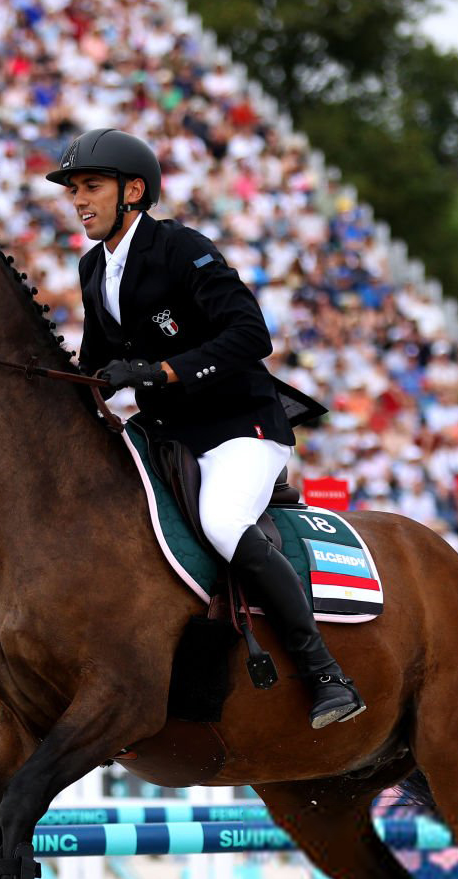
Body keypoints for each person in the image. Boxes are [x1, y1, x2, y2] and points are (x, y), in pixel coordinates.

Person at [47, 128, 362, 729]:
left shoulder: (181, 247)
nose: (79, 200)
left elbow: (250, 336)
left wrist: (159, 372)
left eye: (91, 186)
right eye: (74, 190)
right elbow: (97, 365)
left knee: (222, 521)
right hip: (168, 433)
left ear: (132, 191)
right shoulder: (94, 267)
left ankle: (324, 671)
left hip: (239, 427)